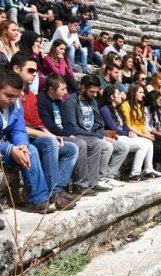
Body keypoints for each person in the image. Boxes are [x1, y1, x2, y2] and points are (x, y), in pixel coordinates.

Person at [12, 52, 78, 210]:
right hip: (19, 137)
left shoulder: (30, 95)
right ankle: (53, 194)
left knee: (71, 148)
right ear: (15, 69)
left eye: (36, 71)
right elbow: (18, 126)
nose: (35, 74)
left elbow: (36, 122)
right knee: (46, 144)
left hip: (31, 134)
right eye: (30, 70)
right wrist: (48, 136)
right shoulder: (10, 93)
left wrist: (53, 135)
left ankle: (59, 189)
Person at [0, 69, 55, 212]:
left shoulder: (15, 105)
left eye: (16, 96)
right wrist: (10, 149)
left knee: (30, 150)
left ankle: (38, 200)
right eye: (8, 95)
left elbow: (18, 130)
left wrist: (22, 145)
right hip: (3, 147)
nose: (12, 100)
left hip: (5, 145)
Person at [61, 74, 128, 190]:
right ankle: (94, 181)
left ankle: (108, 177)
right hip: (80, 135)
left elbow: (99, 123)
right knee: (104, 145)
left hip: (94, 134)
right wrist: (100, 137)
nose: (95, 95)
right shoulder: (70, 102)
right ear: (82, 87)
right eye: (92, 91)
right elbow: (72, 129)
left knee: (122, 146)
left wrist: (103, 134)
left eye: (96, 92)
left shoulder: (92, 101)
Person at [38, 73, 100, 196]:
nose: (65, 92)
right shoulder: (41, 100)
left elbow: (67, 123)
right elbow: (49, 125)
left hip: (64, 133)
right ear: (51, 89)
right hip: (54, 135)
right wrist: (68, 135)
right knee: (80, 144)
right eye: (62, 89)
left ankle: (91, 183)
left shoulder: (59, 101)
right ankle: (79, 185)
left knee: (96, 143)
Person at [100, 86, 160, 181]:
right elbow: (113, 127)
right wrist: (126, 133)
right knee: (143, 145)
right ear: (112, 97)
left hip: (123, 135)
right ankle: (134, 174)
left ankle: (148, 169)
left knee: (148, 142)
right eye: (118, 94)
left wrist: (129, 131)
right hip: (115, 137)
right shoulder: (105, 110)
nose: (121, 96)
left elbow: (125, 125)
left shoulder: (118, 109)